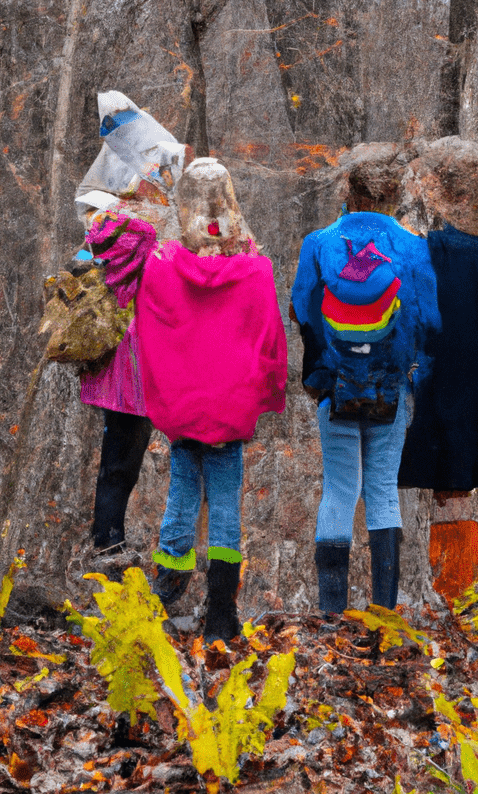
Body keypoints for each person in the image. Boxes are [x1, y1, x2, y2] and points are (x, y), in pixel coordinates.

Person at [88, 157, 287, 643]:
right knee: (224, 506)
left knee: (181, 496)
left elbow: (151, 334)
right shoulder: (255, 270)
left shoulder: (160, 266)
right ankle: (221, 611)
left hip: (182, 405)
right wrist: (265, 395)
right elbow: (271, 344)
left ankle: (166, 592)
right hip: (231, 406)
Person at [291, 150, 441, 614]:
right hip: (391, 388)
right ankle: (383, 613)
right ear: (396, 194)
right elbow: (429, 322)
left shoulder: (318, 243)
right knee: (381, 488)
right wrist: (413, 378)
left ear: (347, 191)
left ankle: (330, 613)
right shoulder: (414, 248)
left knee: (338, 488)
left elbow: (303, 311)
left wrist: (318, 377)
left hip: (333, 387)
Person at [397, 138, 478, 603]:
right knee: (458, 485)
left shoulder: (433, 248)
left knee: (437, 484)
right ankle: (459, 593)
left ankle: (446, 593)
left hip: (437, 377)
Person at [74, 91, 189, 561]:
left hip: (111, 357)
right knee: (132, 457)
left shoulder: (102, 229)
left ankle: (108, 543)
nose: (163, 183)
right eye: (158, 174)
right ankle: (112, 548)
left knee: (116, 458)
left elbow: (87, 267)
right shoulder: (145, 232)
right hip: (144, 358)